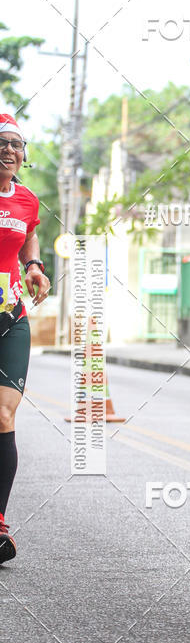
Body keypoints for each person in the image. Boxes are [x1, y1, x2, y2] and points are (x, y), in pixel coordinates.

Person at [0, 113, 50, 564]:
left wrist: (33, 266)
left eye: (17, 144)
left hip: (9, 316)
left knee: (3, 414)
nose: (9, 150)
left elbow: (29, 234)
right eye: (2, 143)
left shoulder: (27, 200)